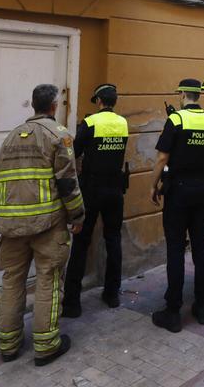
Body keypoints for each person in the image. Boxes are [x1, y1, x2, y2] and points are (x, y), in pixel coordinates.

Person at [0, 83, 84, 365]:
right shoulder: (58, 135)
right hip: (47, 224)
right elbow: (68, 182)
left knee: (12, 281)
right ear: (54, 106)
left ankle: (8, 344)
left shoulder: (10, 137)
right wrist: (77, 215)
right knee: (49, 280)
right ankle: (46, 346)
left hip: (11, 224)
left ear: (33, 104)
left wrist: (7, 213)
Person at [150, 79, 204, 332]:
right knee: (201, 248)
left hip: (178, 193)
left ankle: (173, 311)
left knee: (175, 249)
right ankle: (202, 307)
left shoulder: (176, 120)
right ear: (199, 96)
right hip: (203, 192)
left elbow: (162, 157)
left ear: (183, 94)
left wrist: (153, 185)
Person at [62, 84, 128, 318]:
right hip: (115, 190)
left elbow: (74, 152)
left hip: (92, 189)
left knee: (81, 243)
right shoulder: (122, 123)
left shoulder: (90, 123)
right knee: (113, 240)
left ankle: (72, 302)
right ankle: (112, 293)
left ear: (99, 100)